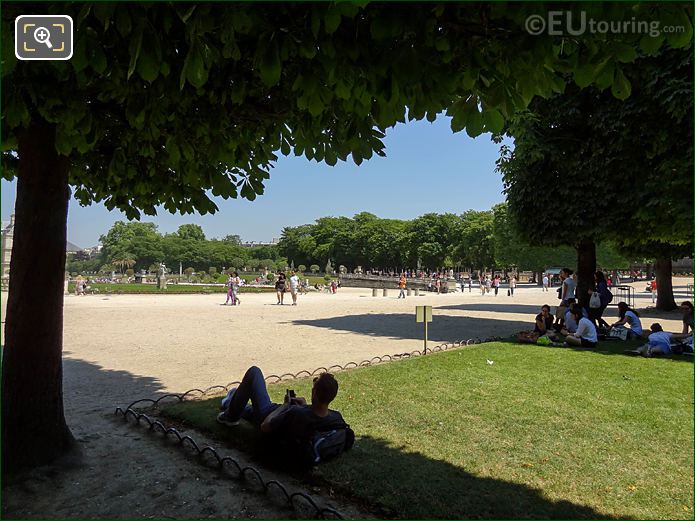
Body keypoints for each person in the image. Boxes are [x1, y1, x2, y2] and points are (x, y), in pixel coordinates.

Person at [217, 367, 348, 456]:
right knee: (250, 408)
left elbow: (265, 426)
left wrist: (285, 406)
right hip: (281, 415)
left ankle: (230, 416)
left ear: (314, 393)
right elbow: (315, 415)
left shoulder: (297, 414)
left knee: (254, 373)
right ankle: (231, 401)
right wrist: (305, 405)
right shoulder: (335, 417)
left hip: (268, 416)